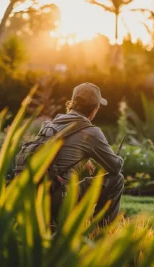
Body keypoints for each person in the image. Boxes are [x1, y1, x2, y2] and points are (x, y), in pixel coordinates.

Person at [21, 82, 124, 227]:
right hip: (60, 199)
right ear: (95, 109)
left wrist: (83, 159)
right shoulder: (91, 131)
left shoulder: (49, 125)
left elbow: (56, 159)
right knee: (116, 180)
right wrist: (118, 157)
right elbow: (115, 167)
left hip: (36, 196)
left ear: (72, 103)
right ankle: (101, 233)